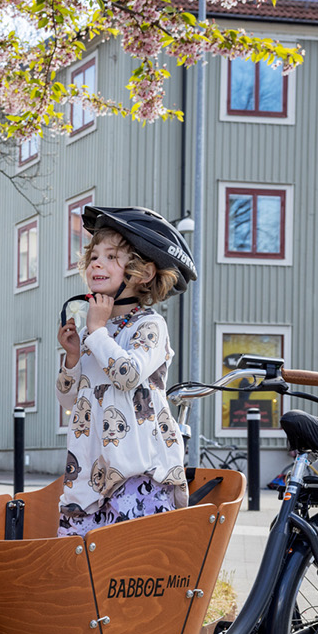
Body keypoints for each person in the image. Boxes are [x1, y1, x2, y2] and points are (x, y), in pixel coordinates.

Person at [55, 206, 196, 535]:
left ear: (143, 273)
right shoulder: (96, 332)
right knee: (79, 573)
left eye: (112, 257)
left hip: (138, 479)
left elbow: (128, 374)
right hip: (88, 483)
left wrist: (98, 332)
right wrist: (74, 358)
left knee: (128, 574)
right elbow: (69, 402)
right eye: (94, 256)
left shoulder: (150, 325)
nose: (97, 263)